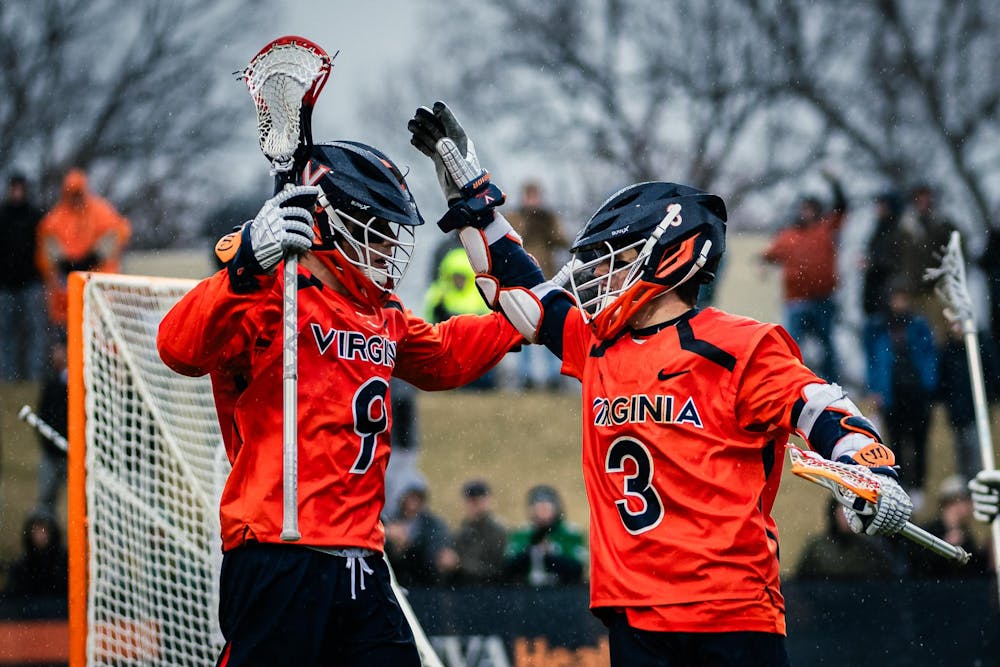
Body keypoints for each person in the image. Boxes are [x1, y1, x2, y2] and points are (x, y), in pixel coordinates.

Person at [408, 101, 915, 666]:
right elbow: (518, 296)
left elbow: (819, 406)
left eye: (614, 259)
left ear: (670, 259)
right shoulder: (597, 340)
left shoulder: (738, 343)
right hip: (634, 614)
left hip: (729, 610)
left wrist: (871, 469)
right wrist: (473, 197)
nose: (597, 274)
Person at [157, 140, 522, 666]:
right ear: (334, 219)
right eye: (379, 229)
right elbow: (178, 348)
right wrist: (242, 269)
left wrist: (523, 318)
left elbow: (442, 357)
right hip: (280, 550)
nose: (389, 247)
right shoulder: (268, 290)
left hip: (361, 556)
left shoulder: (381, 310)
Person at [760, 173, 847, 383]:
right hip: (796, 300)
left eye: (810, 208)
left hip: (822, 299)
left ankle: (833, 385)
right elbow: (767, 255)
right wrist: (762, 265)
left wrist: (835, 183)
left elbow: (842, 208)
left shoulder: (824, 229)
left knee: (827, 346)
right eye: (803, 208)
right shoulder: (788, 236)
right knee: (792, 345)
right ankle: (790, 382)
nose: (806, 212)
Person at [865, 282, 937, 505]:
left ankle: (918, 486)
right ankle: (902, 483)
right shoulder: (877, 327)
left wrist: (928, 383)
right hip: (893, 395)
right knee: (896, 441)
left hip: (916, 393)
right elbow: (873, 361)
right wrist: (876, 390)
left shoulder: (917, 325)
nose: (900, 303)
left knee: (919, 441)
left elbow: (928, 355)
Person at [36, 168, 131, 326]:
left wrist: (93, 257)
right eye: (72, 194)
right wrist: (65, 263)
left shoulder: (100, 212)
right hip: (66, 291)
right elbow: (47, 245)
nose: (76, 199)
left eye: (78, 193)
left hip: (98, 286)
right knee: (65, 335)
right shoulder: (55, 218)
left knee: (100, 333)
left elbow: (116, 234)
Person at [504, 181, 568, 390]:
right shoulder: (515, 217)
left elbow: (563, 241)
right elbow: (509, 239)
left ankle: (554, 377)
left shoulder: (547, 218)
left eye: (535, 195)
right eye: (529, 195)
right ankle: (526, 377)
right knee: (524, 328)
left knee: (552, 327)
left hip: (547, 278)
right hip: (522, 281)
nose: (532, 200)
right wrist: (526, 221)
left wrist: (548, 224)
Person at [423, 247, 496, 389]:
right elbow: (430, 321)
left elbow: (488, 323)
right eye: (455, 276)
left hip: (474, 345)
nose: (458, 280)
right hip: (449, 345)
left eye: (461, 276)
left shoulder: (479, 294)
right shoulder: (439, 293)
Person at [936, 327, 1000, 483]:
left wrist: (988, 397)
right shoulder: (948, 351)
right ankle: (967, 491)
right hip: (957, 413)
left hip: (976, 412)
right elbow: (943, 381)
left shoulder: (981, 347)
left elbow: (992, 376)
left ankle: (979, 484)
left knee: (977, 454)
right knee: (962, 456)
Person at [896, 183, 958, 340]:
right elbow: (900, 259)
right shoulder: (906, 228)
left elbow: (957, 254)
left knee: (945, 336)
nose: (923, 201)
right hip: (915, 291)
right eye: (919, 197)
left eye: (926, 197)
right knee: (920, 339)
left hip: (939, 290)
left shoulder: (943, 224)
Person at [0, 173, 47, 380]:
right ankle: (7, 377)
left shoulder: (35, 217)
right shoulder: (3, 216)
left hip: (31, 283)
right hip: (6, 285)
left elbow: (43, 250)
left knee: (36, 332)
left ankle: (34, 376)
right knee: (6, 333)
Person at [794, 498, 902, 581]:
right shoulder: (818, 547)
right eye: (843, 508)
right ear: (834, 512)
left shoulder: (870, 548)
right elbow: (802, 583)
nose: (847, 514)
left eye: (852, 509)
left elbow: (889, 579)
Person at [908, 476, 991, 579]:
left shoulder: (966, 535)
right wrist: (944, 548)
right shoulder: (928, 531)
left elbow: (973, 569)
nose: (969, 507)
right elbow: (916, 563)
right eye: (965, 501)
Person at [505, 484, 586, 587]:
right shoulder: (522, 533)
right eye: (539, 508)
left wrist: (551, 555)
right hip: (526, 591)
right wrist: (530, 551)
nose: (542, 512)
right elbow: (508, 566)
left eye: (546, 508)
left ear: (556, 508)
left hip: (563, 591)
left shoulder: (570, 533)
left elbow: (578, 568)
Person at [384, 476, 458, 587]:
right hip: (400, 581)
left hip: (424, 584)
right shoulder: (391, 522)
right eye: (410, 497)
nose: (413, 502)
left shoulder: (433, 524)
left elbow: (435, 553)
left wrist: (409, 546)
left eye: (417, 498)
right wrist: (395, 547)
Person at [34, 337, 69, 517]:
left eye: (59, 350)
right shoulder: (52, 382)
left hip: (74, 455)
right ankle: (46, 539)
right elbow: (43, 415)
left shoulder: (83, 380)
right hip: (52, 454)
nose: (56, 355)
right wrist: (50, 446)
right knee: (45, 500)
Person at [450, 479, 508, 585]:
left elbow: (495, 569)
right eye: (471, 501)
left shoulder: (497, 531)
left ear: (488, 501)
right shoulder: (463, 531)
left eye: (478, 501)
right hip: (466, 590)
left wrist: (459, 564)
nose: (474, 505)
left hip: (489, 591)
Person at [4, 512, 68, 599]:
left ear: (52, 533)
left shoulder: (65, 563)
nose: (40, 536)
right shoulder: (22, 567)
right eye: (36, 531)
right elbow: (13, 600)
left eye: (44, 531)